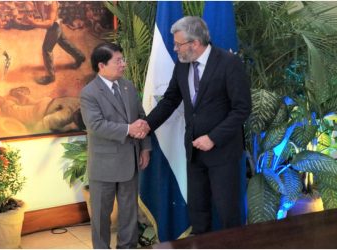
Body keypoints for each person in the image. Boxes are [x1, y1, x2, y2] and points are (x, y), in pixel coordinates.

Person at [143, 16, 252, 234]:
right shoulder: (182, 67)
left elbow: (242, 109)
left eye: (178, 44)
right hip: (194, 151)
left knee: (227, 211)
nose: (175, 48)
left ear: (195, 43)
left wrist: (213, 138)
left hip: (223, 152)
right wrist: (147, 125)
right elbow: (170, 100)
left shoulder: (229, 63)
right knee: (198, 211)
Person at [80, 42, 151, 248]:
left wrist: (145, 147)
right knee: (102, 215)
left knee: (129, 212)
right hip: (104, 166)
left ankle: (127, 246)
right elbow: (96, 125)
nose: (123, 64)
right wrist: (129, 129)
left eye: (123, 60)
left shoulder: (128, 86)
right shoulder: (89, 93)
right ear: (101, 66)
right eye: (118, 61)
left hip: (131, 160)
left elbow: (141, 118)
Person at [22, 1, 86, 85]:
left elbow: (50, 23)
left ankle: (50, 77)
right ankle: (80, 56)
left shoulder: (52, 3)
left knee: (46, 49)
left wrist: (34, 23)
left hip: (54, 27)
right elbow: (28, 3)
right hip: (55, 27)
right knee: (64, 43)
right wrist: (29, 7)